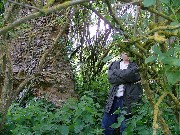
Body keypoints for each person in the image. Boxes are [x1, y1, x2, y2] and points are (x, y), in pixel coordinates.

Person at [101, 52, 143, 135]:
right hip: (113, 99)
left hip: (129, 100)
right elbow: (110, 78)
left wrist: (117, 73)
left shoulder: (136, 64)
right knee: (106, 126)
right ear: (121, 53)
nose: (126, 53)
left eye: (128, 51)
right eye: (124, 51)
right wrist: (127, 76)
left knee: (125, 129)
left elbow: (133, 75)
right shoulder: (115, 64)